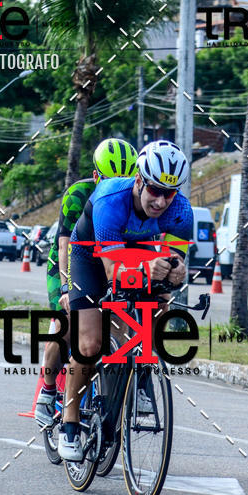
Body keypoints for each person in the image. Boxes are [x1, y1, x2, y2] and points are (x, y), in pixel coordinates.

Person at [57, 139, 193, 461]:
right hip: (90, 256)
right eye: (155, 190)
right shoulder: (109, 201)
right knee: (89, 345)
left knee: (159, 302)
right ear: (138, 181)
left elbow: (176, 258)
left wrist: (175, 271)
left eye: (169, 193)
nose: (160, 201)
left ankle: (142, 373)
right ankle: (70, 423)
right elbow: (111, 272)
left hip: (137, 248)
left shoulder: (181, 211)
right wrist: (147, 269)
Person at [34, 138, 139, 428]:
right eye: (109, 180)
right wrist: (67, 288)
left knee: (123, 324)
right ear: (96, 177)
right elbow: (65, 243)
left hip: (106, 262)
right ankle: (48, 389)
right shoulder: (78, 194)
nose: (117, 187)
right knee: (67, 321)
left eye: (126, 181)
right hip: (69, 262)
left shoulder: (132, 200)